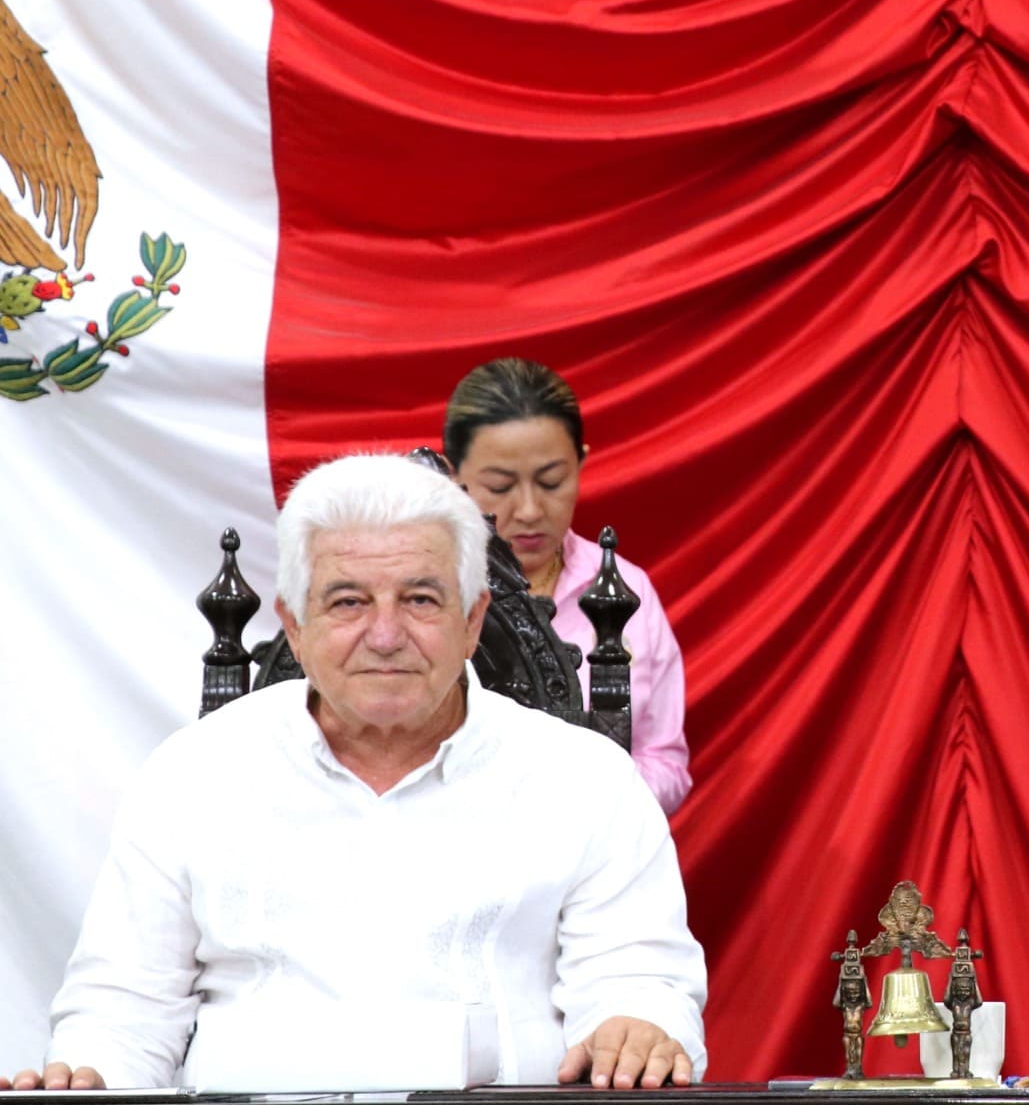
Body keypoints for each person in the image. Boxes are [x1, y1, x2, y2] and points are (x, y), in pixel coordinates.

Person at [8, 454, 707, 1092]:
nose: (384, 634)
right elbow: (123, 1010)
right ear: (295, 623)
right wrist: (92, 1078)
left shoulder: (584, 780)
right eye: (347, 601)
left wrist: (638, 1024)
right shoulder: (195, 774)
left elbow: (638, 981)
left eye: (421, 600)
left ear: (472, 621)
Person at [445, 356, 690, 813]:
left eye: (552, 481)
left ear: (581, 463)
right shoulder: (425, 590)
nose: (531, 510)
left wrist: (591, 803)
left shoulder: (624, 590)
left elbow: (666, 763)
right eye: (499, 486)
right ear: (454, 474)